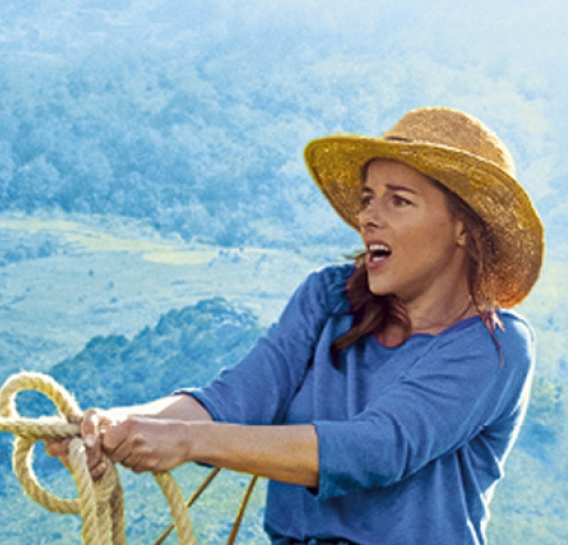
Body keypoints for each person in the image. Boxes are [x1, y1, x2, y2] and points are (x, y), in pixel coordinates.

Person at [50, 106, 543, 544]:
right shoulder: (328, 298)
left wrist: (185, 440)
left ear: (463, 227)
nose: (369, 216)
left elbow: (377, 449)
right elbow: (237, 397)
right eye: (368, 198)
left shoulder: (494, 347)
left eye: (399, 200)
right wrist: (122, 421)